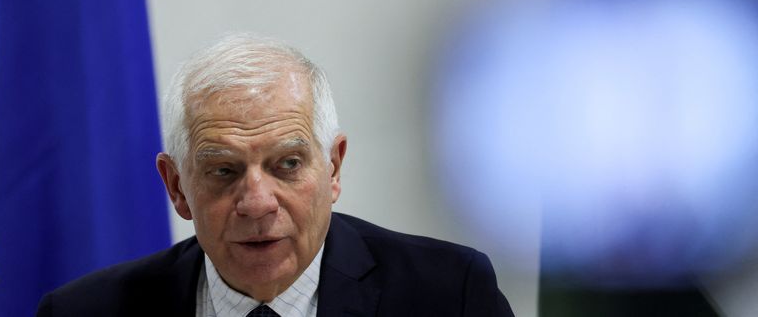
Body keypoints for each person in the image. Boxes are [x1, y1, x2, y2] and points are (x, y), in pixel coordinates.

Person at [36, 33, 514, 316]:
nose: (258, 203)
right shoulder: (84, 313)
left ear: (333, 166)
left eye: (287, 164)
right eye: (224, 170)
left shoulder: (449, 296)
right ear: (177, 187)